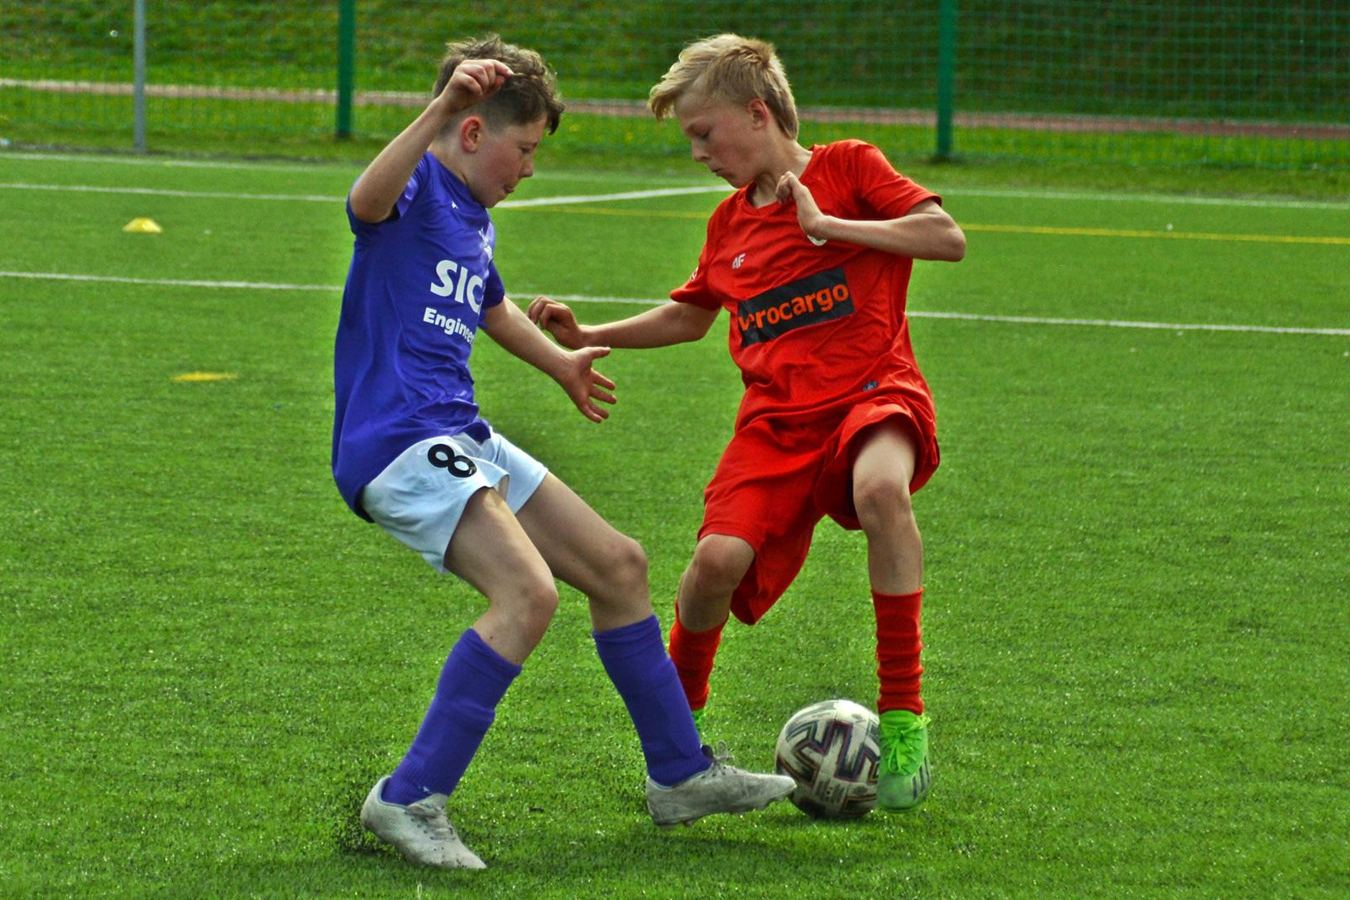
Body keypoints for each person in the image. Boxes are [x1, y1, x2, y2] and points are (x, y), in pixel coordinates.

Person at [331, 35, 795, 871]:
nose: (529, 168)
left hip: (458, 433)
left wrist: (561, 364)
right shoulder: (417, 186)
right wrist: (439, 108)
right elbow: (364, 202)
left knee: (618, 566)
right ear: (472, 131)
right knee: (527, 594)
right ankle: (408, 797)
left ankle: (679, 775)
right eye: (524, 148)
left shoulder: (471, 218)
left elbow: (493, 309)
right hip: (398, 440)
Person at [528, 34, 966, 813]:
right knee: (714, 562)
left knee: (880, 490)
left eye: (704, 133)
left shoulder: (849, 168)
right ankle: (677, 739)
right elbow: (690, 315)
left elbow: (944, 238)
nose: (698, 153)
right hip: (774, 425)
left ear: (758, 114)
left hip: (873, 393)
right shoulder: (729, 223)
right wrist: (588, 334)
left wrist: (832, 227)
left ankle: (903, 720)